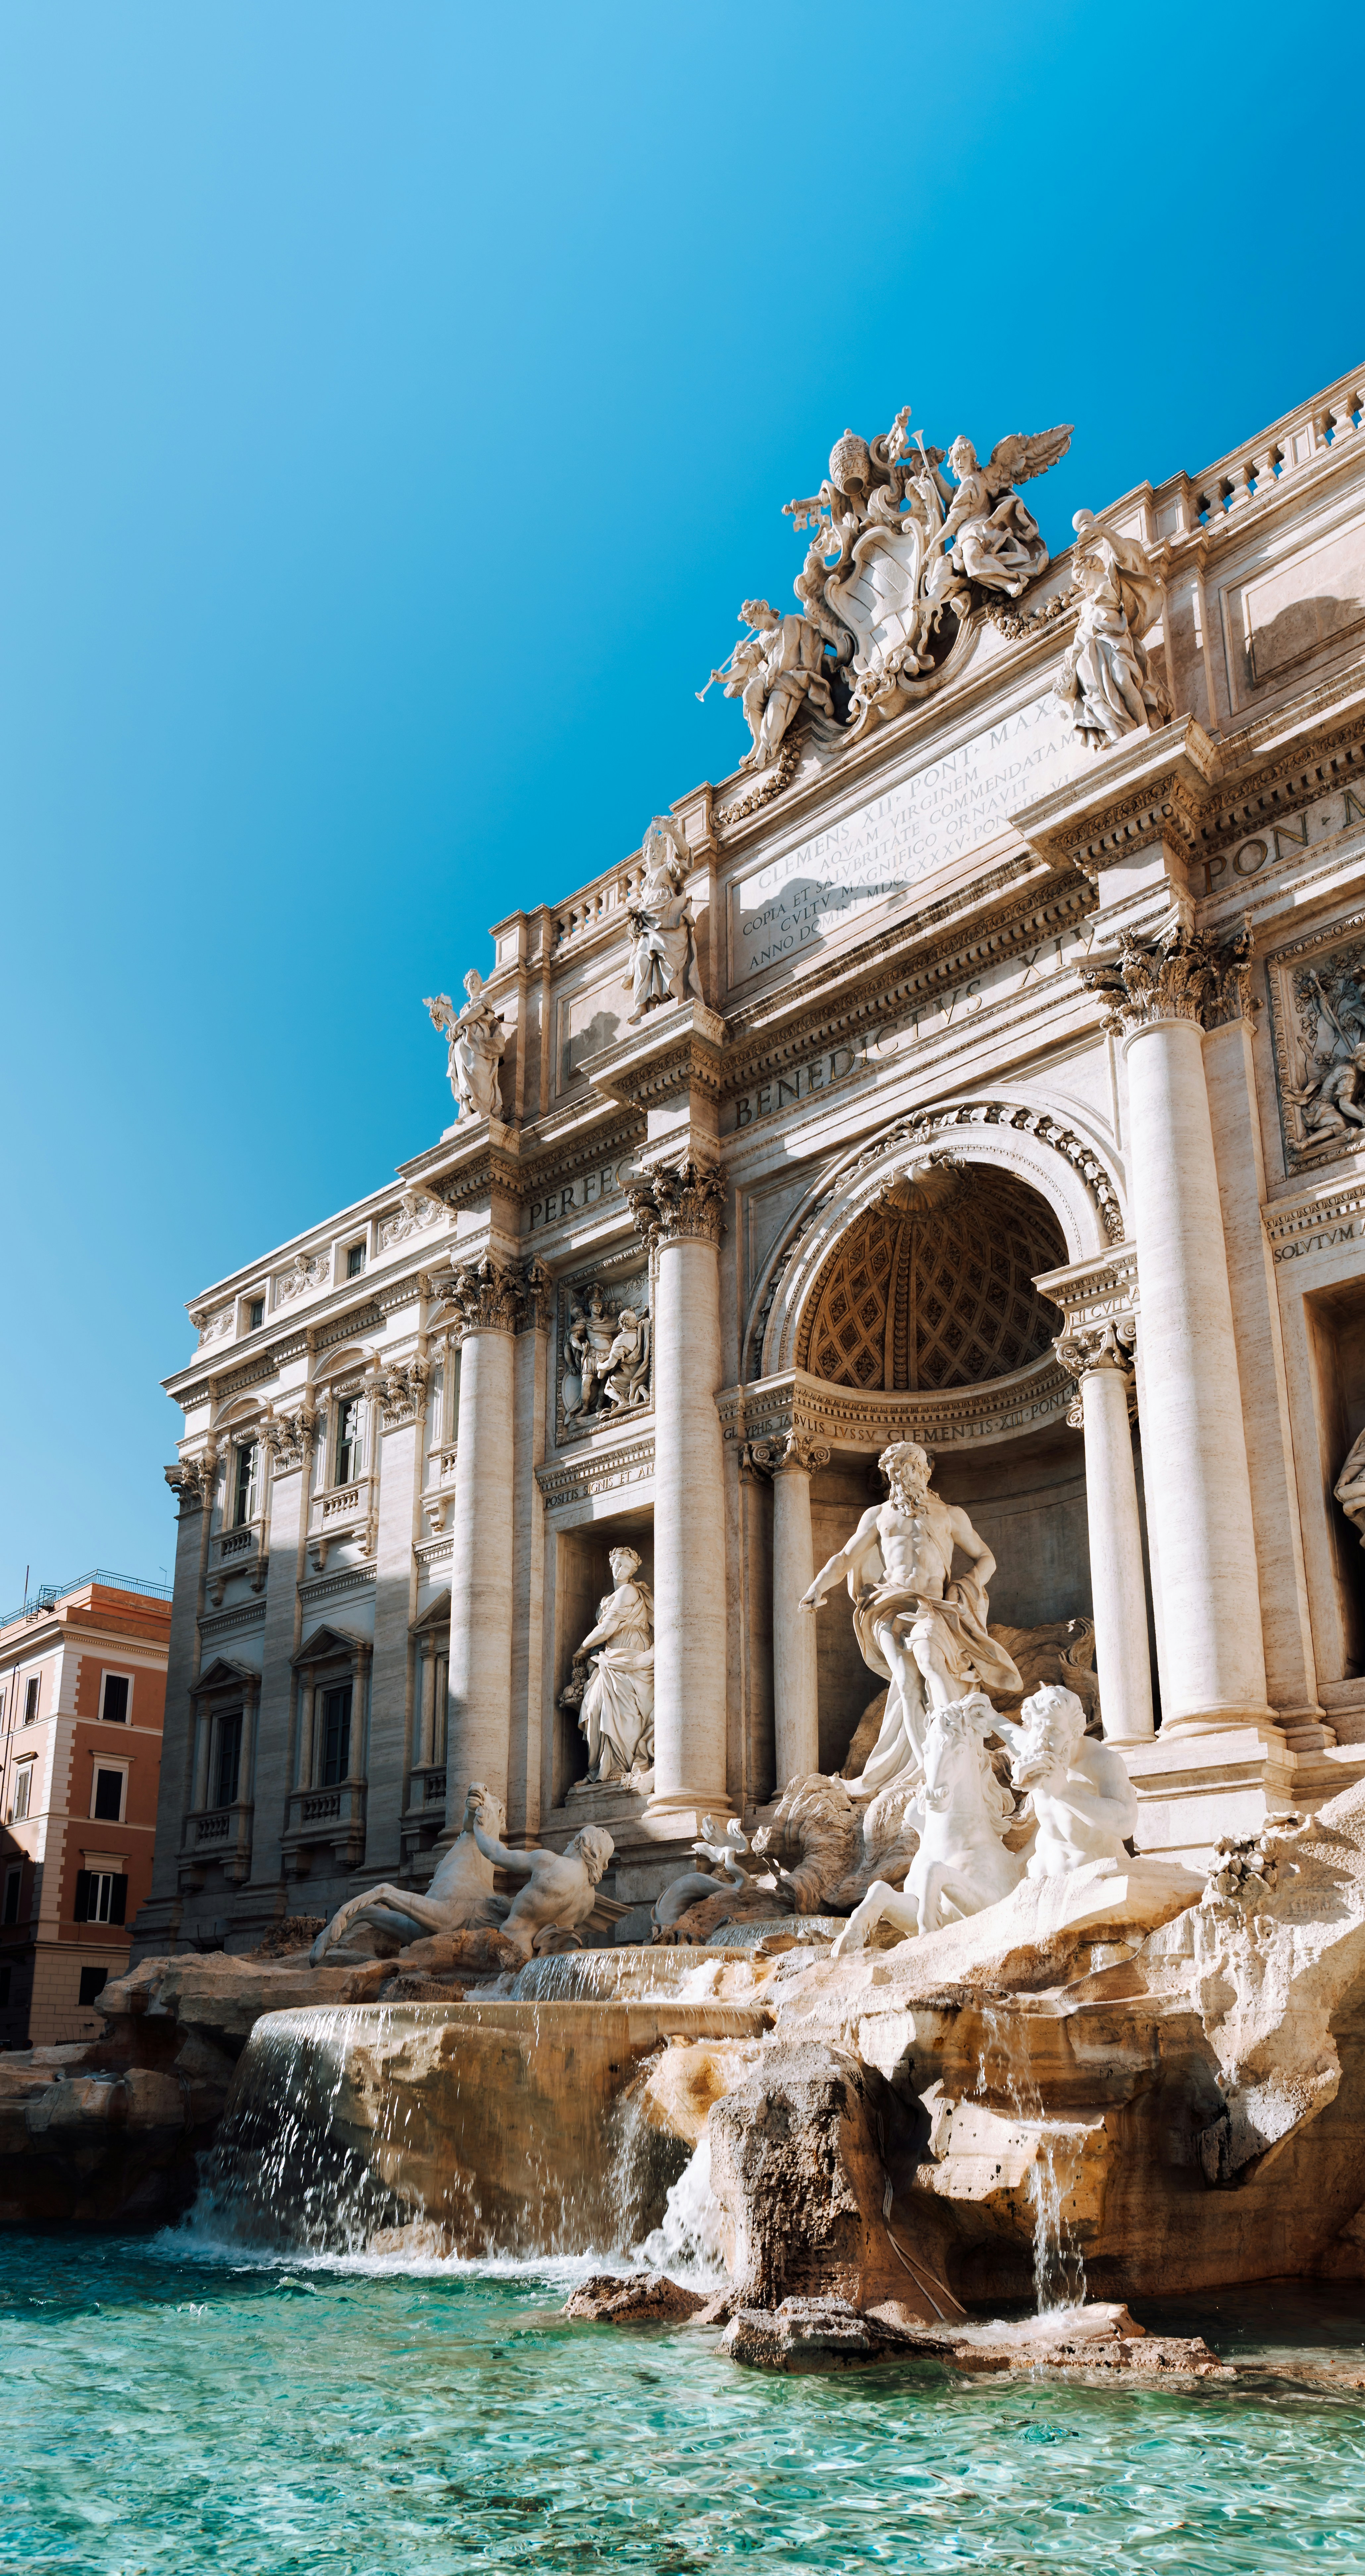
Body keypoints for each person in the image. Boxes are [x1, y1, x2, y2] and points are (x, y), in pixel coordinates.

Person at [799, 1439, 1021, 1799]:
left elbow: (985, 1558)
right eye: (894, 1472)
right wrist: (817, 1587)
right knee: (905, 1681)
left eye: (908, 1468)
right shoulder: (878, 1514)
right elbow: (844, 1555)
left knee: (932, 1670)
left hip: (935, 1607)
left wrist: (964, 1587)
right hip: (889, 1604)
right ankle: (929, 1773)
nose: (901, 1477)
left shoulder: (950, 1514)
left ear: (924, 1471)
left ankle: (945, 1756)